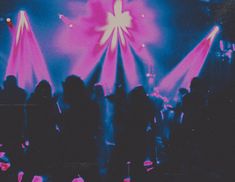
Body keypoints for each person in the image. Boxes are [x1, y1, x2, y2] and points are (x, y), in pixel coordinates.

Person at [61, 75, 100, 181]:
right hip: (87, 149)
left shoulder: (70, 113)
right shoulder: (92, 106)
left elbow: (67, 133)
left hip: (74, 151)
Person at [22, 80, 61, 181]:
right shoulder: (38, 102)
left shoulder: (34, 100)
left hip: (39, 139)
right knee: (46, 169)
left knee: (32, 170)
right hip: (43, 139)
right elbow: (54, 118)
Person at [0, 75, 27, 181]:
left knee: (10, 158)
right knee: (16, 160)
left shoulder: (3, 94)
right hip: (16, 132)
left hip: (6, 131)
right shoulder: (21, 94)